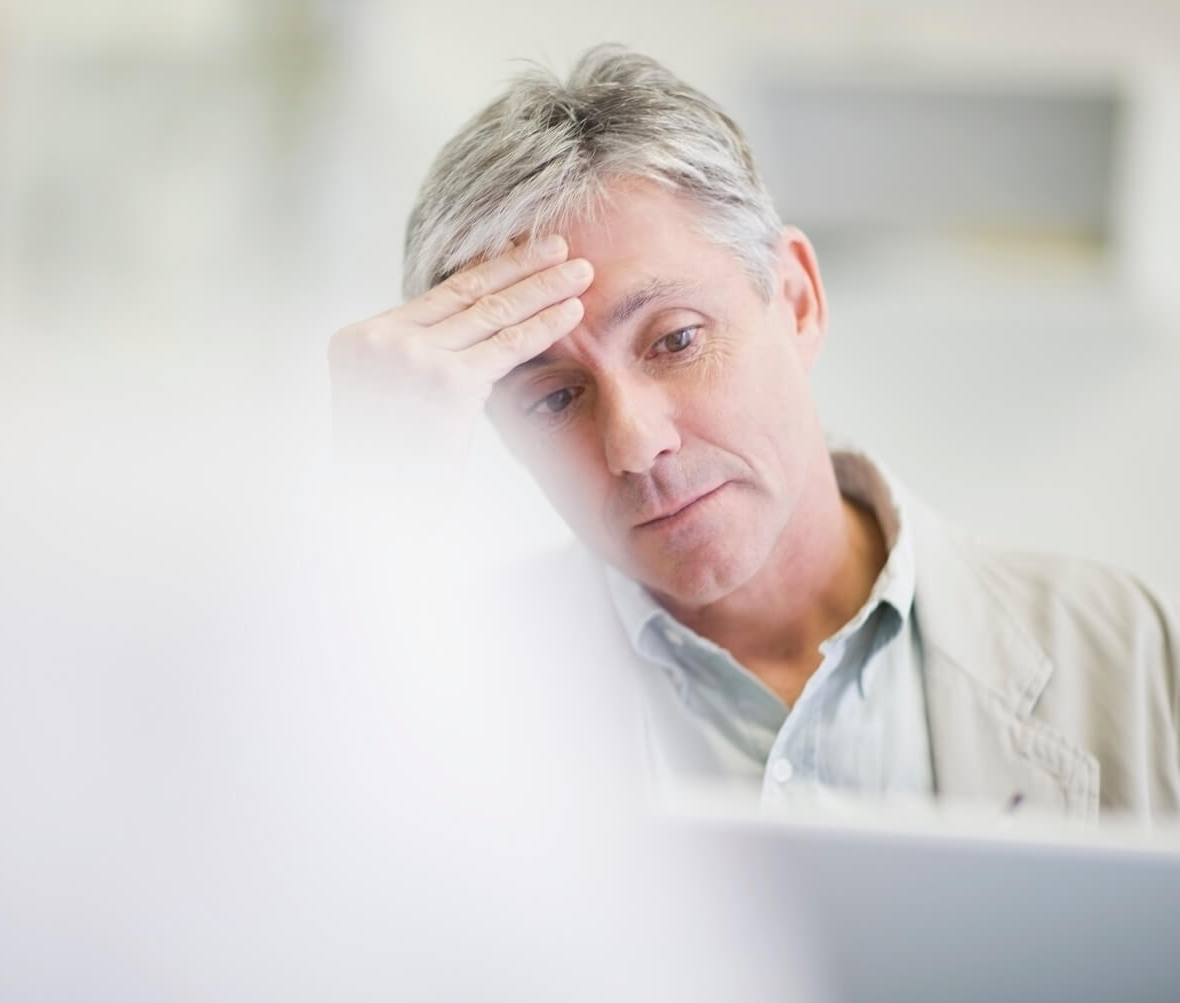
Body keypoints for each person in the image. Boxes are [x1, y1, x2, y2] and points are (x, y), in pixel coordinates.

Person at [327, 44, 1180, 821]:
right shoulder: (447, 695)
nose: (633, 443)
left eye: (676, 340)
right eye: (553, 398)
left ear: (799, 299)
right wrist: (378, 503)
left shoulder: (1122, 649)